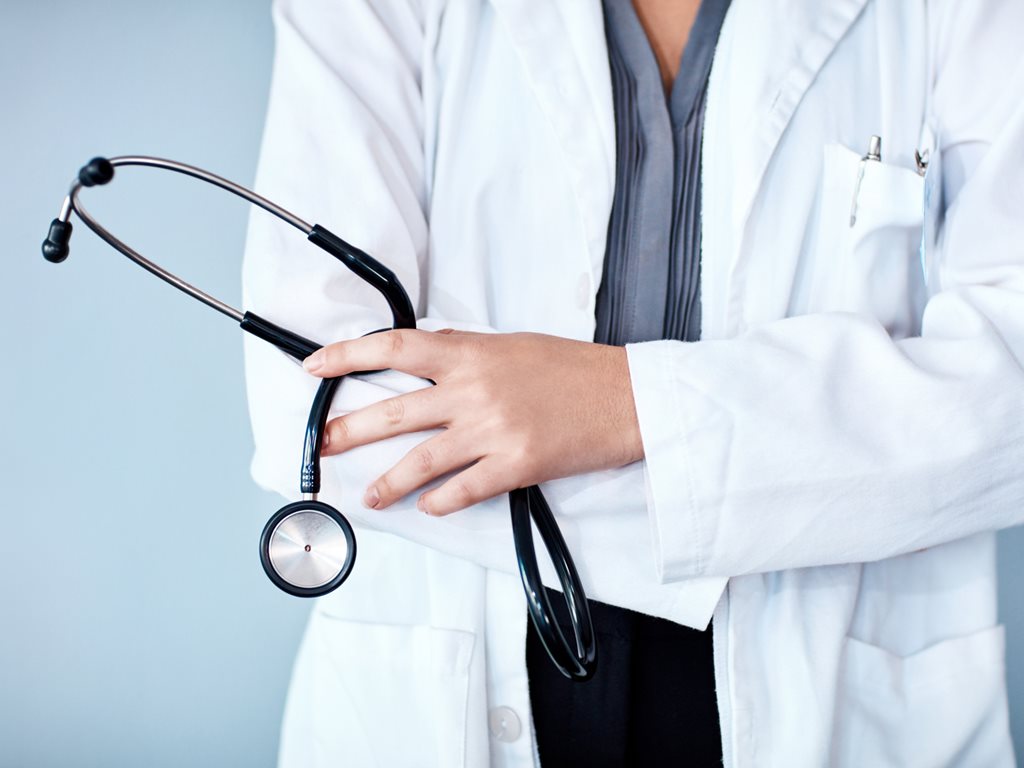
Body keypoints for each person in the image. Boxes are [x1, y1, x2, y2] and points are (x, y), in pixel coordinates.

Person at [241, 0, 1024, 765]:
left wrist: (622, 406)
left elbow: (1009, 407)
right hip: (446, 683)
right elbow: (315, 412)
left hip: (828, 690)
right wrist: (789, 471)